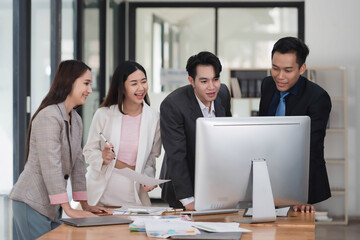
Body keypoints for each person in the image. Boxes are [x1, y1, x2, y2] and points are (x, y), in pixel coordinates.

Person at [9, 60, 110, 240]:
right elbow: (51, 166)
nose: (90, 90)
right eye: (86, 83)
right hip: (31, 202)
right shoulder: (49, 116)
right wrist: (68, 208)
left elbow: (78, 164)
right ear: (69, 81)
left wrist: (84, 205)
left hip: (51, 206)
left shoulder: (76, 120)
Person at [259, 37, 332, 213]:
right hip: (268, 175)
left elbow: (312, 149)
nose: (280, 76)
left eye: (288, 70)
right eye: (275, 68)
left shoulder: (317, 98)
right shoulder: (267, 85)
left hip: (299, 179)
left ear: (302, 69)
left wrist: (302, 195)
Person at [160, 51, 232, 210]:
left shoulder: (223, 94)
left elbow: (227, 137)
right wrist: (188, 200)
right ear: (191, 81)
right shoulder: (173, 105)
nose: (212, 87)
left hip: (215, 186)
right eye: (204, 81)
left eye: (216, 79)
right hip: (184, 187)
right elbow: (176, 155)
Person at [83, 61, 161, 207]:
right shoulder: (104, 114)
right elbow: (88, 151)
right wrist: (103, 157)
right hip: (100, 197)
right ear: (122, 87)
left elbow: (152, 156)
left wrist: (148, 178)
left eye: (143, 82)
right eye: (134, 83)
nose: (141, 88)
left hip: (133, 198)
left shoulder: (154, 117)